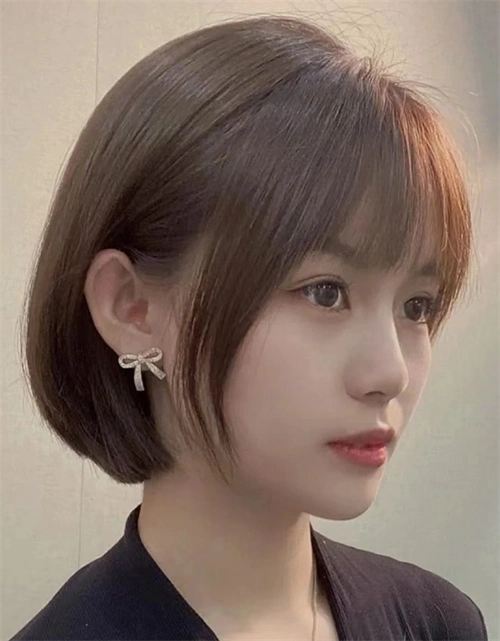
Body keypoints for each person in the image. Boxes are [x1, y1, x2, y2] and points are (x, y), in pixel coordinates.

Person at [11, 14, 488, 641]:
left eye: (417, 306)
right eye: (326, 292)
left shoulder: (435, 622)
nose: (391, 373)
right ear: (132, 307)